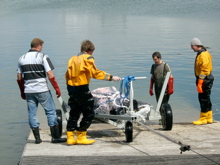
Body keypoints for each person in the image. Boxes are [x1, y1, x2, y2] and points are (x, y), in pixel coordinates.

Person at [65, 40, 120, 145]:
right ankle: (81, 135)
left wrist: (70, 87)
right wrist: (111, 77)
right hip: (82, 88)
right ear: (90, 51)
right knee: (89, 112)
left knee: (74, 111)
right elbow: (95, 73)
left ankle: (70, 137)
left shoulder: (72, 59)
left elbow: (67, 75)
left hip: (71, 87)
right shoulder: (88, 58)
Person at [17, 38, 66, 144]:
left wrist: (22, 92)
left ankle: (37, 139)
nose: (42, 48)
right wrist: (57, 89)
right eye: (42, 46)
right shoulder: (43, 57)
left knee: (32, 113)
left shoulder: (21, 58)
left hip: (29, 90)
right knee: (50, 111)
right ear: (39, 46)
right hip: (42, 89)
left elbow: (19, 78)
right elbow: (50, 74)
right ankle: (55, 137)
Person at [190, 38, 214, 125]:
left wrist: (200, 81)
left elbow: (205, 69)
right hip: (207, 78)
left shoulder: (202, 55)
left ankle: (203, 118)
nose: (192, 48)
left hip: (204, 79)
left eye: (192, 46)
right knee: (207, 97)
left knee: (203, 98)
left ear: (196, 46)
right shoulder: (205, 53)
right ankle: (209, 117)